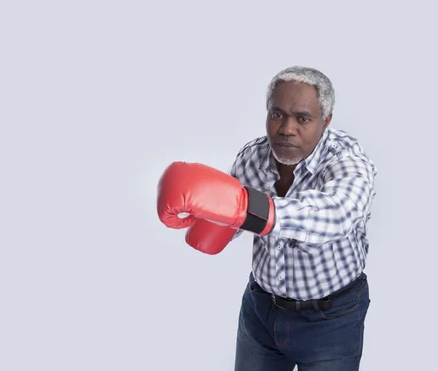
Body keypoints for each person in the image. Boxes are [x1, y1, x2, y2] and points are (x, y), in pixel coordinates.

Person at [156, 66, 378, 370]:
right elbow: (235, 218)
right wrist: (204, 213)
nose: (286, 128)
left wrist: (251, 207)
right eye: (277, 114)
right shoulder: (252, 158)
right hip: (261, 310)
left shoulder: (347, 161)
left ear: (325, 121)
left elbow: (335, 215)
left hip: (331, 319)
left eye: (302, 118)